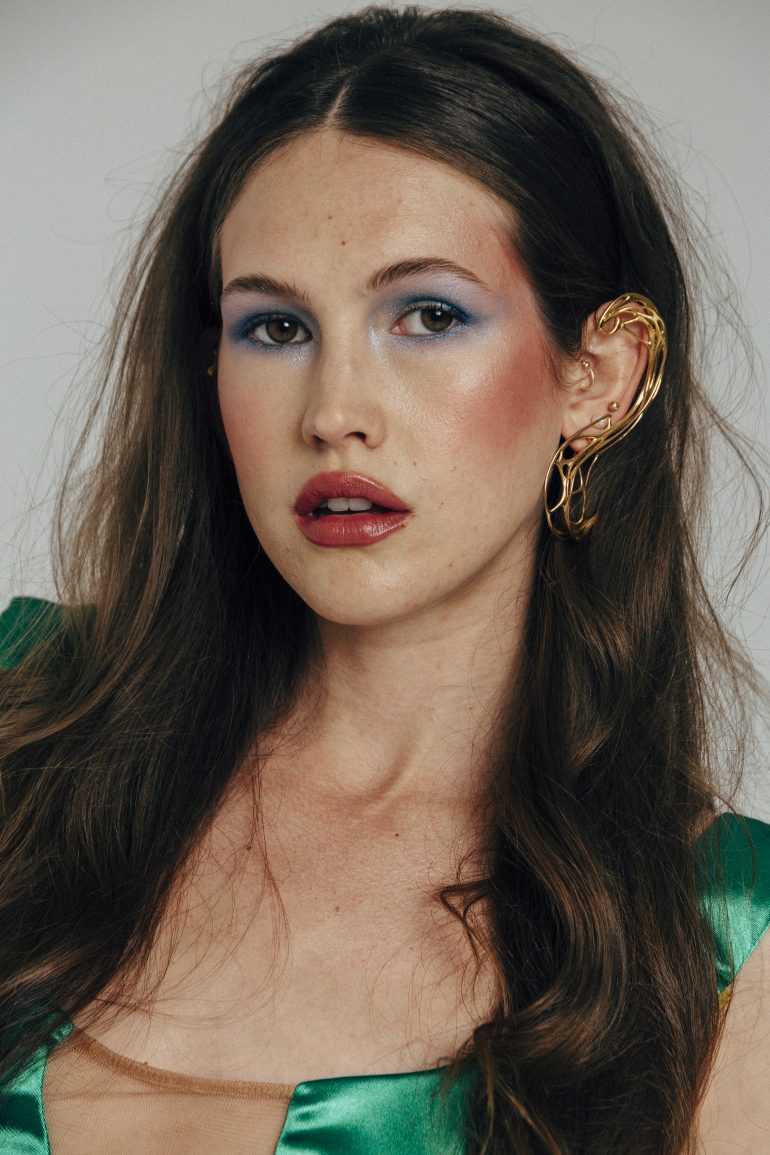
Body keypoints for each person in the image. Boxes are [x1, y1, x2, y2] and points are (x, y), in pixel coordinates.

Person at [1, 5, 768, 1153]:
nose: (333, 413)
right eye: (274, 328)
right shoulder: (22, 728)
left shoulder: (717, 941)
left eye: (426, 315)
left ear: (599, 377)